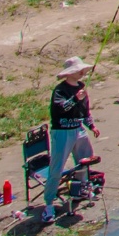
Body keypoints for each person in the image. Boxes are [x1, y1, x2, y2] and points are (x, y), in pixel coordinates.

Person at [41, 59, 98, 217]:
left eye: (81, 70)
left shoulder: (81, 88)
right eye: (77, 70)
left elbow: (84, 110)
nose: (81, 73)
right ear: (69, 73)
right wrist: (75, 99)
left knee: (85, 162)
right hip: (62, 132)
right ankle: (49, 204)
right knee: (57, 168)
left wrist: (91, 126)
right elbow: (60, 109)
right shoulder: (60, 90)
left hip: (78, 130)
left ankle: (81, 190)